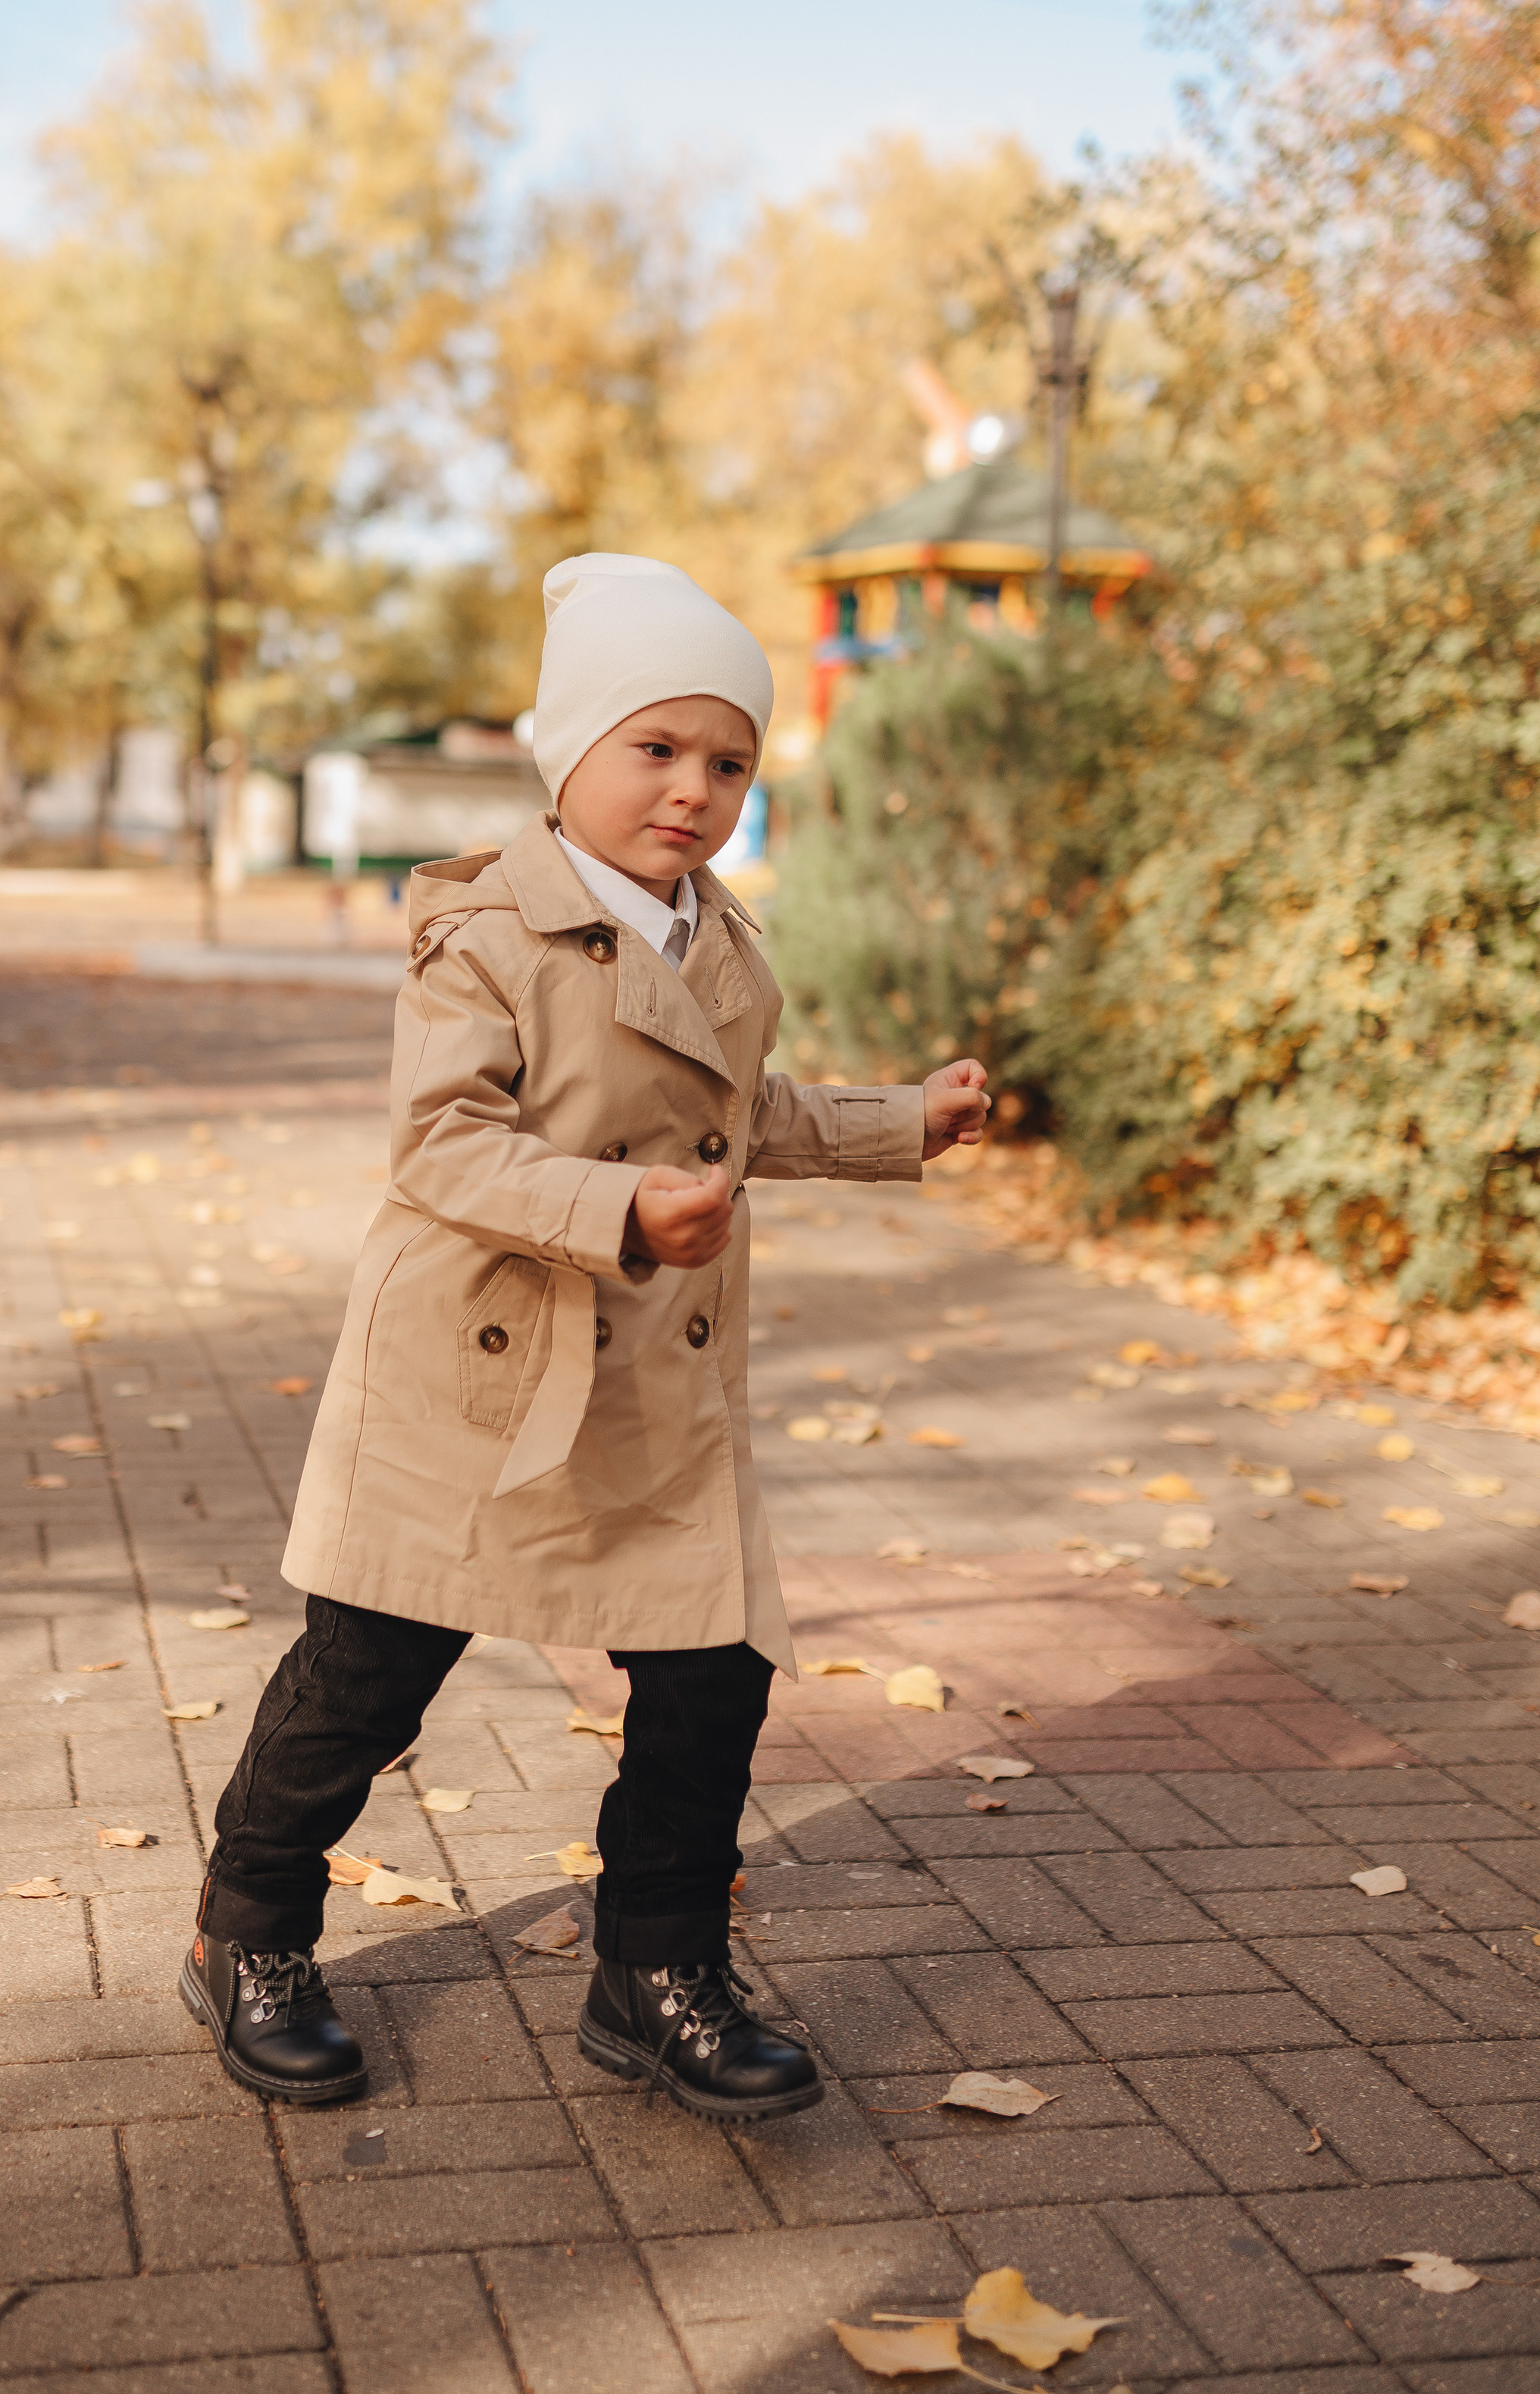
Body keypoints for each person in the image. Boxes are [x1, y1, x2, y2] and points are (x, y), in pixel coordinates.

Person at [180, 553, 991, 2121]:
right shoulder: (487, 931)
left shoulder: (719, 940)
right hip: (477, 1376)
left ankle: (656, 1969)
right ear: (571, 752)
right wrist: (615, 1211)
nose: (693, 790)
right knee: (366, 1677)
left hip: (650, 1393)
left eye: (728, 761)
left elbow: (737, 1116)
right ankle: (249, 1930)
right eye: (656, 747)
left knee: (711, 1681)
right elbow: (441, 1146)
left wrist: (902, 1124)